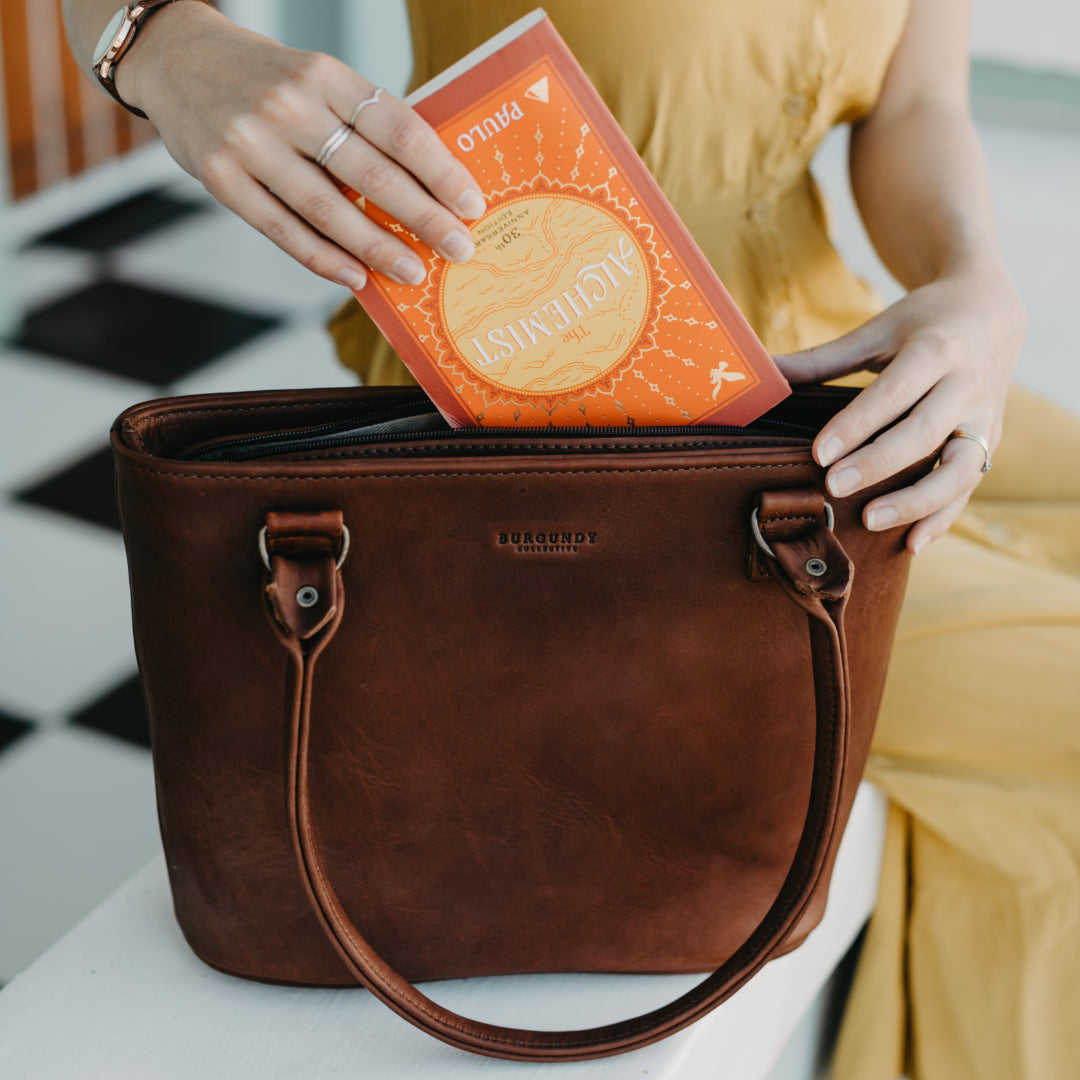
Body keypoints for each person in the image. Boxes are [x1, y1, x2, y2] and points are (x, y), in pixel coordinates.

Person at [64, 1, 1080, 1076]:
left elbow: (914, 104)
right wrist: (163, 44)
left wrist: (975, 283)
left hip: (820, 389)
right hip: (518, 421)